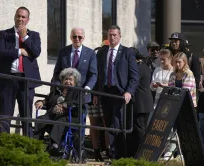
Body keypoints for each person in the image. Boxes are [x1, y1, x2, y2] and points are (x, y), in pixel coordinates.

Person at [0, 6, 41, 136]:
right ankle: (3, 145)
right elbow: (0, 52)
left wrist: (25, 36)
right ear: (15, 17)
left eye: (23, 17)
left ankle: (28, 148)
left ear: (28, 19)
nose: (20, 19)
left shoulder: (34, 35)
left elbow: (36, 52)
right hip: (7, 79)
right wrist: (20, 51)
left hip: (26, 81)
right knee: (5, 115)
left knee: (26, 116)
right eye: (18, 16)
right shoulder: (4, 34)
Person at [94, 25, 139, 159]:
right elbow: (98, 74)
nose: (112, 37)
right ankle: (113, 155)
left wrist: (129, 92)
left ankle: (119, 156)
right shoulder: (102, 52)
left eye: (114, 35)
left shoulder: (127, 52)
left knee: (117, 124)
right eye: (110, 35)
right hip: (105, 92)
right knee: (108, 124)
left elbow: (134, 76)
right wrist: (96, 93)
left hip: (120, 93)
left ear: (120, 36)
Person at [34, 68, 84, 149]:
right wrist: (42, 102)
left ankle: (54, 145)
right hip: (53, 114)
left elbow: (78, 103)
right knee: (40, 119)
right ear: (62, 80)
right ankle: (36, 143)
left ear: (75, 82)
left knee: (60, 120)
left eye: (70, 80)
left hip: (70, 116)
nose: (68, 81)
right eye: (66, 79)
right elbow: (48, 98)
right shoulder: (57, 90)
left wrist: (64, 105)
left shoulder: (78, 91)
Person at [52, 27, 97, 103]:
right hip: (65, 94)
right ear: (70, 37)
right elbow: (57, 72)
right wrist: (58, 86)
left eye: (80, 37)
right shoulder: (63, 52)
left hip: (82, 95)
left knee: (80, 115)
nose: (77, 39)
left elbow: (93, 74)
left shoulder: (90, 53)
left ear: (83, 38)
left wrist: (87, 88)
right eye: (74, 36)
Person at [127, 48, 154, 157]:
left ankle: (141, 154)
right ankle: (135, 152)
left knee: (139, 129)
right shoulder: (143, 66)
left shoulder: (139, 68)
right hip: (141, 102)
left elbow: (134, 83)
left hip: (141, 103)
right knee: (137, 129)